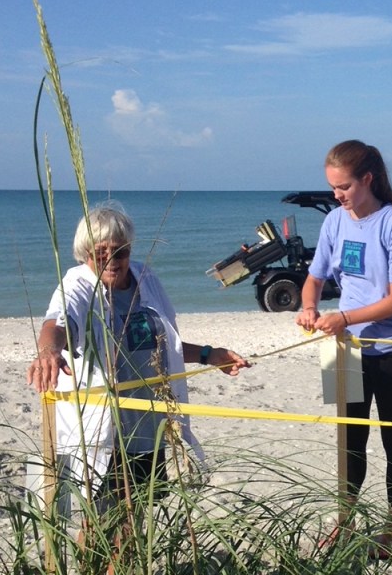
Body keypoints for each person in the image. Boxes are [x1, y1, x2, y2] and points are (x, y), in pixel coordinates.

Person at [27, 202, 249, 534]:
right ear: (84, 253)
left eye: (120, 252)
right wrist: (48, 352)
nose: (112, 262)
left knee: (133, 521)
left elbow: (160, 346)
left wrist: (209, 354)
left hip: (148, 428)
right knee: (102, 522)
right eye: (100, 253)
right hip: (104, 431)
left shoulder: (146, 279)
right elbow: (56, 324)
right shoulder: (76, 285)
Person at [295, 140, 392, 557]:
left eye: (344, 186)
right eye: (333, 187)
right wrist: (309, 305)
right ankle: (344, 520)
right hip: (344, 348)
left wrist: (345, 317)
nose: (338, 195)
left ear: (367, 179)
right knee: (348, 439)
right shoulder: (334, 220)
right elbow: (315, 277)